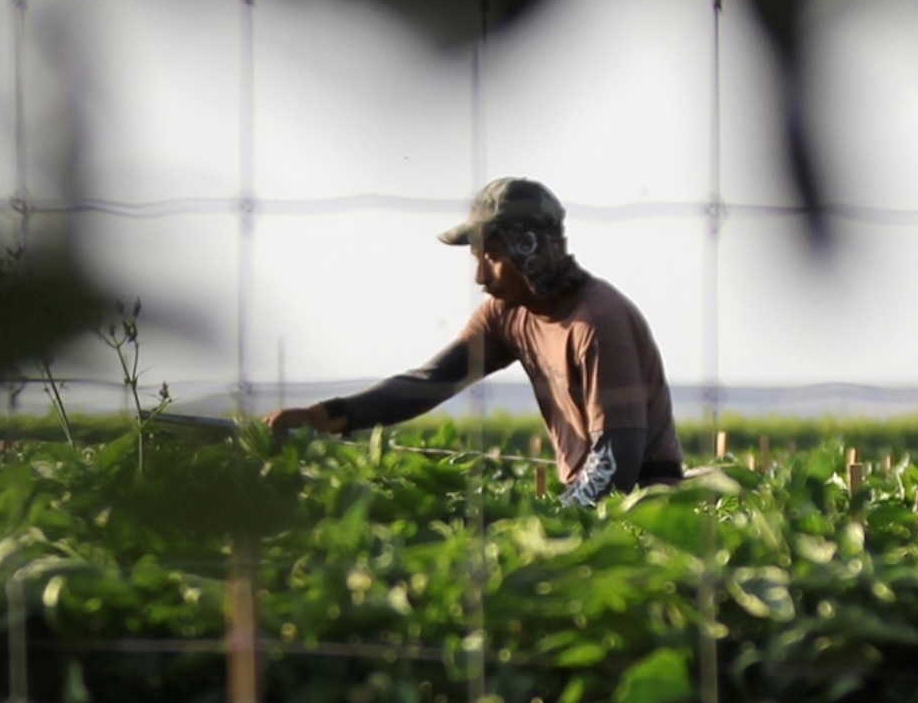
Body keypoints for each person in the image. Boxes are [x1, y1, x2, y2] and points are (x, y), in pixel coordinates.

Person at [266, 178, 683, 505]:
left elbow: (616, 461)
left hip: (642, 509)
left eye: (493, 257)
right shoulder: (508, 313)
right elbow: (429, 382)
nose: (481, 277)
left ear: (531, 250)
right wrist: (329, 415)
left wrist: (556, 520)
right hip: (586, 499)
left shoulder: (596, 324)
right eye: (478, 259)